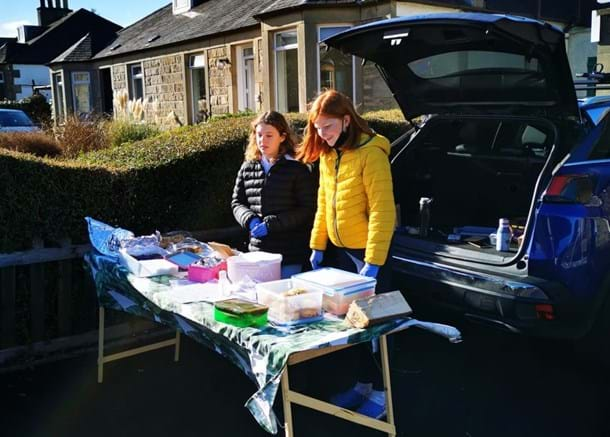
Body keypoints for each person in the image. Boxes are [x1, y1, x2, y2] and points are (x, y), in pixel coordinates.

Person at [298, 89, 396, 419]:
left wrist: (374, 262)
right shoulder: (328, 156)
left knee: (374, 330)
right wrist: (317, 245)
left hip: (367, 256)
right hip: (340, 257)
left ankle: (383, 396)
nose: (322, 135)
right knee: (348, 327)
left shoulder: (372, 153)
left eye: (327, 127)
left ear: (345, 119)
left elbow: (383, 211)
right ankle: (363, 385)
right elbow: (324, 205)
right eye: (317, 128)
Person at [232, 111, 317, 278]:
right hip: (258, 252)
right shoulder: (247, 167)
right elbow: (237, 202)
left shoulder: (297, 169)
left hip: (290, 253)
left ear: (282, 137)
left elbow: (307, 209)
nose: (263, 140)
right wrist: (249, 219)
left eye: (269, 135)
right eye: (259, 135)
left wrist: (273, 224)